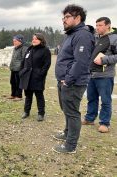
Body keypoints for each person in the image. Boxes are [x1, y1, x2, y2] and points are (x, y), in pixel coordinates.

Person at [53, 4, 95, 154]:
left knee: (72, 112)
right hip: (65, 80)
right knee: (66, 109)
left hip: (72, 82)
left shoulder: (82, 35)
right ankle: (66, 133)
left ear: (78, 18)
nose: (63, 20)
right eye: (63, 17)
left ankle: (70, 145)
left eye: (67, 17)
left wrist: (68, 80)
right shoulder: (71, 34)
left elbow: (80, 62)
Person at [83, 17, 117, 133]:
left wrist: (104, 59)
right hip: (92, 74)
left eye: (100, 25)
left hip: (105, 76)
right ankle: (90, 118)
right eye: (96, 25)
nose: (97, 28)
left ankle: (104, 123)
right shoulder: (95, 38)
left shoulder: (114, 38)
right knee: (91, 98)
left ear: (108, 26)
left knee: (106, 100)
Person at [19, 33, 51, 121]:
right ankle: (26, 111)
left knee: (39, 96)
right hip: (27, 77)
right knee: (28, 96)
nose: (34, 40)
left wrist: (40, 74)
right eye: (33, 38)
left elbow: (47, 64)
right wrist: (21, 71)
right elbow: (23, 61)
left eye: (36, 39)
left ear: (41, 40)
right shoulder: (29, 49)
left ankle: (41, 113)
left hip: (37, 77)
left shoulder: (45, 50)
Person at [8, 34, 28, 101]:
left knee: (18, 83)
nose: (14, 42)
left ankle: (19, 96)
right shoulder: (15, 48)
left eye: (15, 41)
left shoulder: (24, 48)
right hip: (13, 68)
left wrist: (21, 68)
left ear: (20, 41)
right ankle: (13, 94)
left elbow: (24, 59)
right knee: (12, 82)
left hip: (19, 69)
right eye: (13, 41)